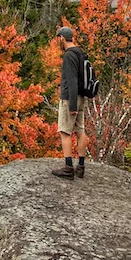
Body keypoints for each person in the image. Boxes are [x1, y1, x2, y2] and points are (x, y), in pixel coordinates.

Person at [52, 26, 88, 180]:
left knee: (65, 131)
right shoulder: (80, 53)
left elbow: (72, 81)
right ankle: (80, 166)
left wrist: (71, 105)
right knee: (80, 131)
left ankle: (68, 169)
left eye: (58, 39)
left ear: (61, 38)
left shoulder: (69, 56)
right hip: (81, 97)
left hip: (70, 98)